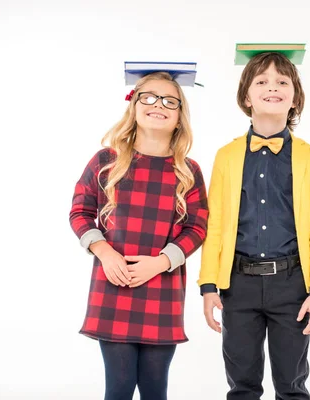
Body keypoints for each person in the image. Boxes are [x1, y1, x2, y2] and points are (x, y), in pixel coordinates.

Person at [198, 51, 310, 400]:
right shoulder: (226, 156)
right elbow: (214, 225)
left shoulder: (308, 156)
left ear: (294, 96)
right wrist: (208, 284)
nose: (272, 87)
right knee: (242, 384)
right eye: (261, 81)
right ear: (247, 96)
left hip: (292, 285)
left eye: (282, 82)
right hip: (237, 285)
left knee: (292, 384)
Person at [69, 71, 208, 400]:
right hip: (113, 287)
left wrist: (161, 262)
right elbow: (80, 211)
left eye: (169, 101)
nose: (158, 104)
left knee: (154, 388)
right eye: (149, 97)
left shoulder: (188, 171)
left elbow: (197, 226)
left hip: (162, 290)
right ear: (133, 106)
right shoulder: (106, 161)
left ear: (178, 117)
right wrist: (104, 251)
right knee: (118, 388)